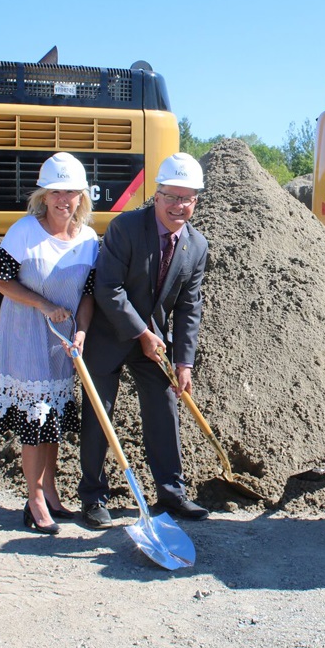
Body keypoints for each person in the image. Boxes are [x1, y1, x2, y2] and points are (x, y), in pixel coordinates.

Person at [79, 152, 211, 527]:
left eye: (186, 198)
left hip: (152, 342)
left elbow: (189, 306)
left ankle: (171, 495)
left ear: (196, 201)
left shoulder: (196, 245)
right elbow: (108, 287)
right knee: (98, 415)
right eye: (171, 196)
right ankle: (92, 497)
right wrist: (141, 333)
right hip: (111, 334)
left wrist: (184, 362)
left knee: (163, 408)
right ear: (157, 194)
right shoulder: (126, 228)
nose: (178, 206)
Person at [0, 152, 98, 535]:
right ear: (44, 195)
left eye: (71, 192)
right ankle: (33, 500)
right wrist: (44, 304)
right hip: (26, 337)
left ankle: (50, 492)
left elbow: (88, 294)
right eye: (56, 192)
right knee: (36, 421)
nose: (63, 200)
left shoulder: (88, 240)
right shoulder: (24, 231)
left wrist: (81, 331)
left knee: (52, 420)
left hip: (63, 341)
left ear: (82, 197)